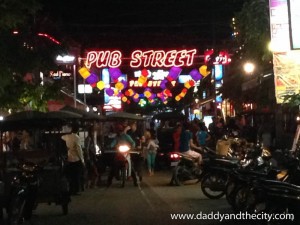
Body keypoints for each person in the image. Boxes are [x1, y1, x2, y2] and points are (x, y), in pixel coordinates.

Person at [61, 124, 85, 195]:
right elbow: (79, 149)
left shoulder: (65, 137)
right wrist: (82, 160)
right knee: (76, 176)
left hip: (68, 159)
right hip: (76, 159)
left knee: (71, 176)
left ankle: (71, 189)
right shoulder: (76, 137)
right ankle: (76, 190)